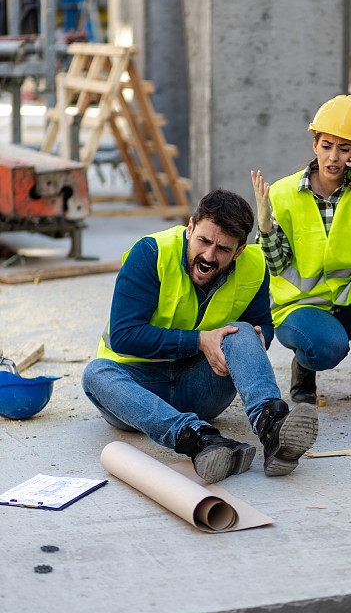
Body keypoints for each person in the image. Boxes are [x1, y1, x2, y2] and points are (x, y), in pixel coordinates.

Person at [82, 190, 318, 482]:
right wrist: (199, 341)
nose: (209, 256)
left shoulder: (255, 266)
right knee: (95, 373)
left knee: (243, 330)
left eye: (222, 249)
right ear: (190, 227)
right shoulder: (152, 253)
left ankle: (272, 427)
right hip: (136, 394)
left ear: (240, 250)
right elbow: (123, 335)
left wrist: (257, 342)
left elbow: (263, 325)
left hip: (201, 388)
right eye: (204, 241)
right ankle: (200, 440)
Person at [251, 95, 351, 416]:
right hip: (299, 307)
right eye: (326, 146)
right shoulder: (282, 193)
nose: (333, 157)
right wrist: (265, 227)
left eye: (344, 149)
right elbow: (276, 265)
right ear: (315, 145)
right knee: (329, 348)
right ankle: (305, 364)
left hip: (348, 303)